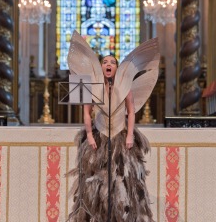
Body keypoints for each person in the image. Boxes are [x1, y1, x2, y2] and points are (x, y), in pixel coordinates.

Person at [66, 30, 160, 222]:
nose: (108, 65)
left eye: (112, 62)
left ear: (117, 68)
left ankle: (122, 214)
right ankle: (96, 215)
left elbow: (131, 112)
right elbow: (86, 112)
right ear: (100, 67)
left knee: (123, 176)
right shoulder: (92, 85)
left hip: (120, 133)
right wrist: (90, 136)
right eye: (105, 62)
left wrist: (130, 135)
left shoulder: (125, 87)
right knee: (96, 177)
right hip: (99, 135)